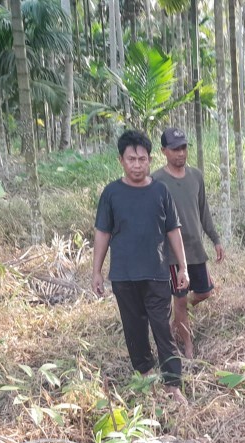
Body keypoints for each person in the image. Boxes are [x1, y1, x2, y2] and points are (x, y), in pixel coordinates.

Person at [92, 129, 189, 403]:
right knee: (134, 328)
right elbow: (103, 233)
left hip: (157, 273)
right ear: (121, 160)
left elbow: (173, 230)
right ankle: (145, 376)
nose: (137, 165)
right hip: (124, 276)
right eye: (131, 159)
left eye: (142, 159)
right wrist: (96, 271)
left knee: (162, 328)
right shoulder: (111, 193)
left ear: (150, 159)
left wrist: (183, 267)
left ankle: (173, 385)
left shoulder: (161, 191)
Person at [152, 126, 225, 359]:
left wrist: (216, 239)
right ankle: (188, 346)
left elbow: (203, 212)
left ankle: (177, 317)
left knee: (205, 293)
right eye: (174, 149)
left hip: (195, 249)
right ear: (164, 151)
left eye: (183, 148)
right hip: (173, 254)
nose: (180, 153)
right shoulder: (156, 180)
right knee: (181, 299)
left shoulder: (196, 176)